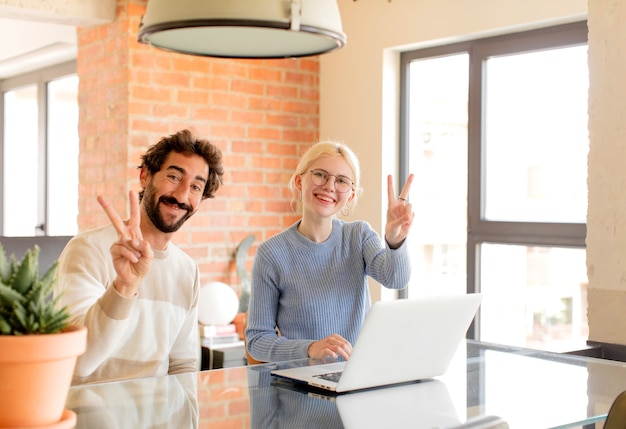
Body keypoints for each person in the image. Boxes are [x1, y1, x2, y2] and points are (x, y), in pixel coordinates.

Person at [54, 129, 224, 385]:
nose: (181, 195)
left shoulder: (187, 271)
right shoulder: (86, 249)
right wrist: (124, 286)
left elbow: (183, 367)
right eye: (174, 176)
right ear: (145, 175)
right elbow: (78, 361)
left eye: (195, 187)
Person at [245, 140, 414, 363]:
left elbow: (396, 279)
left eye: (342, 181)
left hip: (356, 382)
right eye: (320, 175)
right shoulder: (272, 254)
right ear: (299, 181)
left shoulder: (359, 236)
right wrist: (310, 348)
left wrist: (395, 239)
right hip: (300, 389)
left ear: (351, 196)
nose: (329, 186)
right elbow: (257, 340)